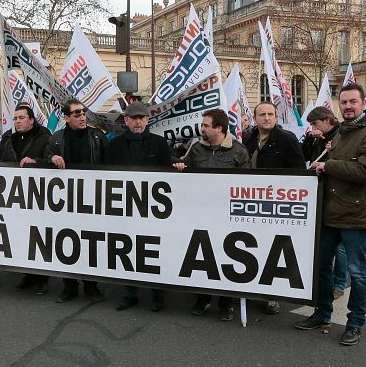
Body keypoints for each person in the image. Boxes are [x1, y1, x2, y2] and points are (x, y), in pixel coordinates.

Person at [294, 83, 366, 346]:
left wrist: (328, 166)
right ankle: (322, 314)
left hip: (355, 213)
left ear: (363, 103)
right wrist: (322, 168)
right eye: (343, 102)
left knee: (357, 273)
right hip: (330, 212)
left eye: (353, 102)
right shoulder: (343, 133)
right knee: (322, 267)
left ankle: (355, 323)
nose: (347, 106)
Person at [173, 109, 249, 320]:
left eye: (206, 125)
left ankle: (226, 303)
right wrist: (180, 167)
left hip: (227, 215)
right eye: (203, 125)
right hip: (201, 213)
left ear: (219, 128)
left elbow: (248, 183)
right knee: (202, 256)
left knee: (226, 257)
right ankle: (203, 297)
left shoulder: (239, 151)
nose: (202, 128)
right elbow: (186, 173)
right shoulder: (196, 148)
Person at [108, 101, 172, 312]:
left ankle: (158, 294)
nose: (138, 122)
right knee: (128, 249)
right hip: (124, 207)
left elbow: (168, 176)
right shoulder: (115, 145)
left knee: (155, 250)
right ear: (126, 120)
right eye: (134, 118)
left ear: (147, 120)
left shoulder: (159, 144)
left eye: (141, 118)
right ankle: (130, 293)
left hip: (153, 209)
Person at [244, 101, 305, 314]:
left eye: (271, 114)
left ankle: (272, 295)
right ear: (255, 118)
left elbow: (299, 172)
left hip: (275, 204)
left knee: (273, 251)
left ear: (277, 117)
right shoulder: (247, 139)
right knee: (252, 248)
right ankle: (249, 288)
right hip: (248, 202)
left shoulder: (287, 139)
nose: (267, 118)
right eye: (262, 114)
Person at [46, 99, 108, 303]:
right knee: (67, 242)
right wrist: (52, 157)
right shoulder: (57, 138)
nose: (82, 117)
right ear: (66, 117)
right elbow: (44, 157)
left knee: (91, 243)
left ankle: (91, 286)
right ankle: (69, 286)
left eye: (83, 112)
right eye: (76, 114)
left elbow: (109, 164)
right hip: (66, 201)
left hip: (93, 199)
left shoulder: (97, 136)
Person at [0, 104, 52, 294]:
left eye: (21, 118)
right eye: (15, 118)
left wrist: (36, 162)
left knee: (39, 238)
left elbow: (51, 160)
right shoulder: (8, 138)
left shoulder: (45, 137)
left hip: (38, 196)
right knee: (22, 237)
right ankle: (28, 275)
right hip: (15, 197)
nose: (17, 121)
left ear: (31, 120)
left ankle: (42, 278)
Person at [301, 107, 348, 300]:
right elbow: (304, 155)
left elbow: (344, 164)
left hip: (338, 195)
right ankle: (323, 281)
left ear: (327, 120)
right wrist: (309, 139)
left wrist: (331, 153)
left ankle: (339, 283)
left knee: (340, 246)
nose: (314, 127)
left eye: (315, 123)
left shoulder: (341, 135)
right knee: (325, 243)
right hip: (320, 192)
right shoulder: (318, 137)